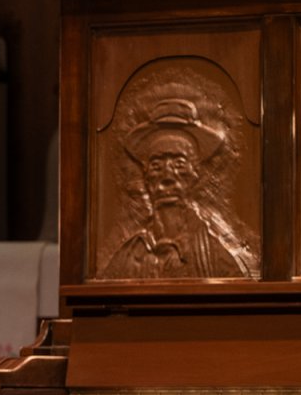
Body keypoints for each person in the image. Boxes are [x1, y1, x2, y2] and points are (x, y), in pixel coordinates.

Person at [105, 95, 255, 279]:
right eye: (156, 165)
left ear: (195, 175)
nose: (167, 176)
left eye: (179, 164)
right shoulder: (128, 254)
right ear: (146, 177)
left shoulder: (215, 253)